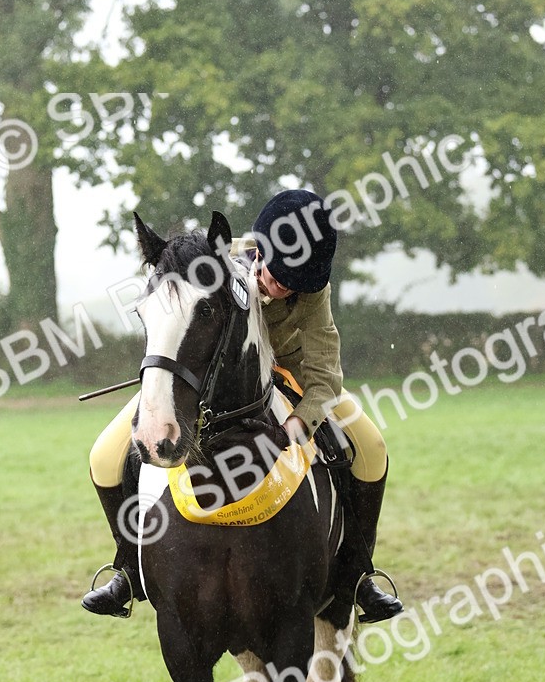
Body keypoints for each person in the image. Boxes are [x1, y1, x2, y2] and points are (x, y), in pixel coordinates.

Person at [82, 189, 403, 623]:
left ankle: (359, 571)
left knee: (372, 447)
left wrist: (299, 424)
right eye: (277, 273)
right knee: (104, 455)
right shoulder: (217, 261)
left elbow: (325, 372)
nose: (283, 286)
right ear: (260, 250)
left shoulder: (314, 292)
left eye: (296, 282)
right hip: (201, 381)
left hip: (290, 378)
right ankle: (125, 568)